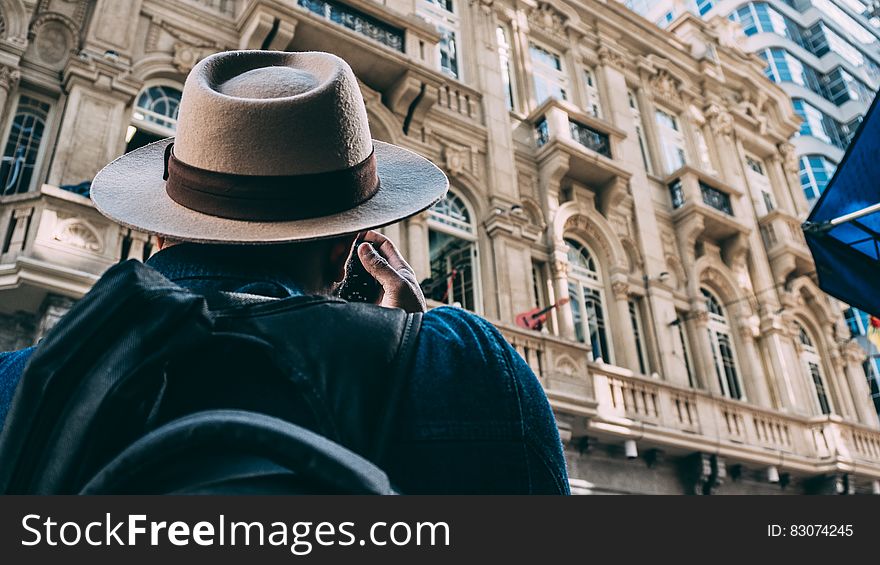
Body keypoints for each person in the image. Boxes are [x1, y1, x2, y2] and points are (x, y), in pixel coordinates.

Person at [0, 50, 568, 494]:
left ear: (158, 230)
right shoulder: (471, 368)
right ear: (349, 252)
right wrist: (415, 357)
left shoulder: (14, 386)